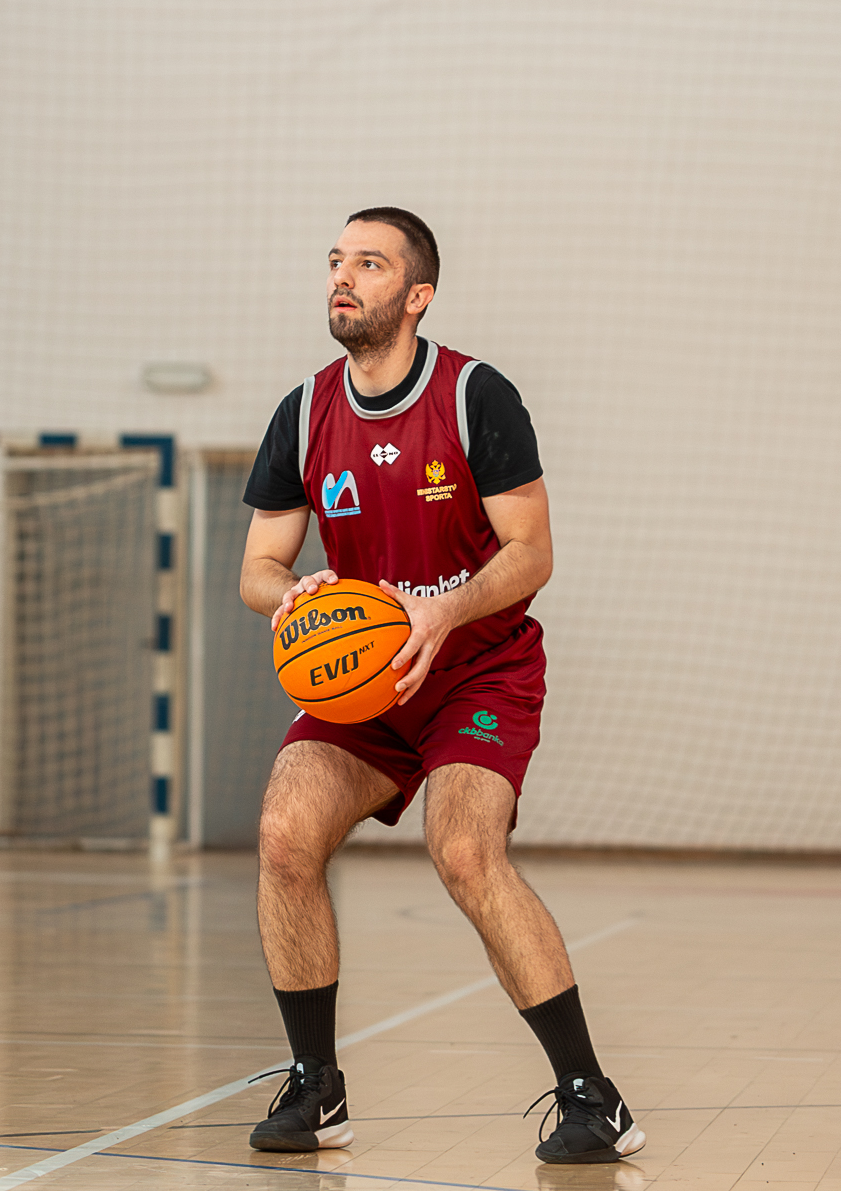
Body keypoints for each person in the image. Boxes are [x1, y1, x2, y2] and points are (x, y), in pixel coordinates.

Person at [239, 207, 646, 1165]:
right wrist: (291, 592)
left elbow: (532, 552)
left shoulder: (475, 396)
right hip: (366, 682)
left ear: (417, 295)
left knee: (464, 851)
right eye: (336, 261)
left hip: (476, 666)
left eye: (369, 264)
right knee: (285, 835)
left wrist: (442, 610)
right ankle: (316, 1086)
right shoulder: (304, 411)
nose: (344, 277)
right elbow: (257, 565)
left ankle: (593, 1097)